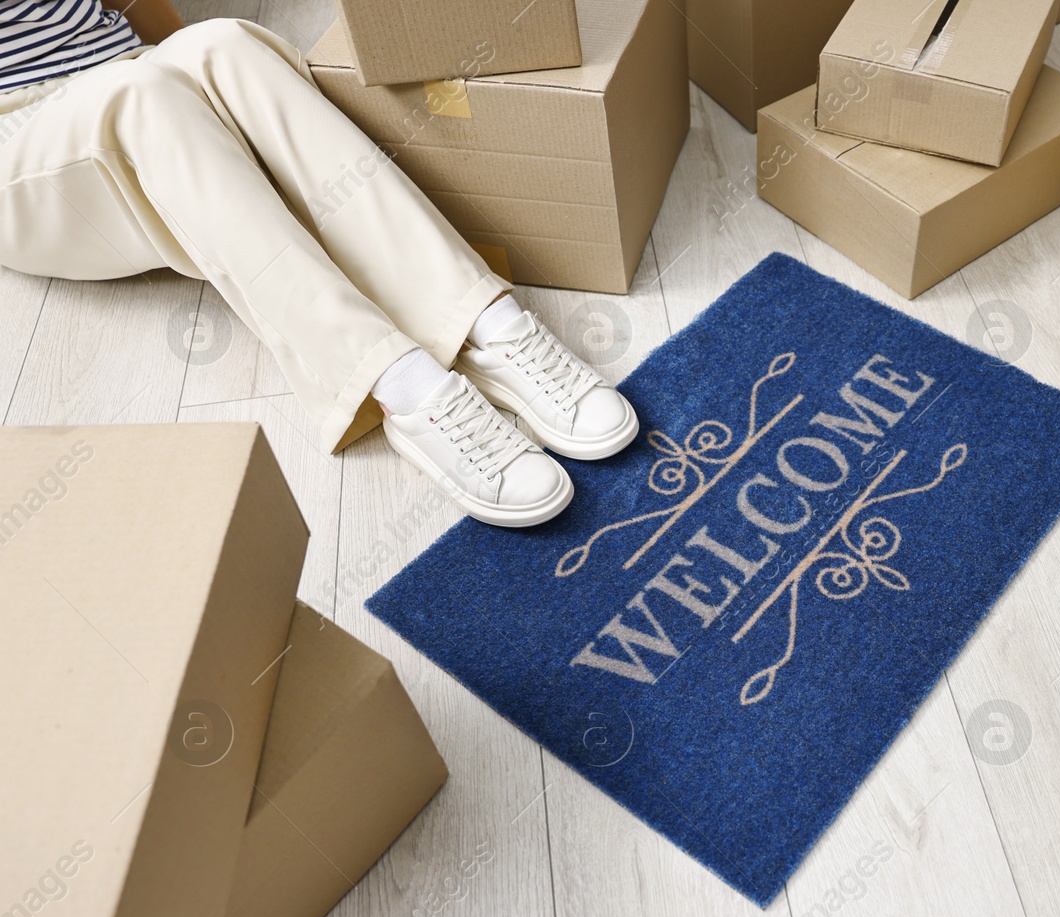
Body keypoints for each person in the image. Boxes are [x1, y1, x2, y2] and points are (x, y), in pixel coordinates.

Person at [0, 0, 638, 527]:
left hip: (124, 68)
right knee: (143, 96)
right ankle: (402, 385)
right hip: (21, 138)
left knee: (223, 44)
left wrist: (201, 84)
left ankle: (485, 323)